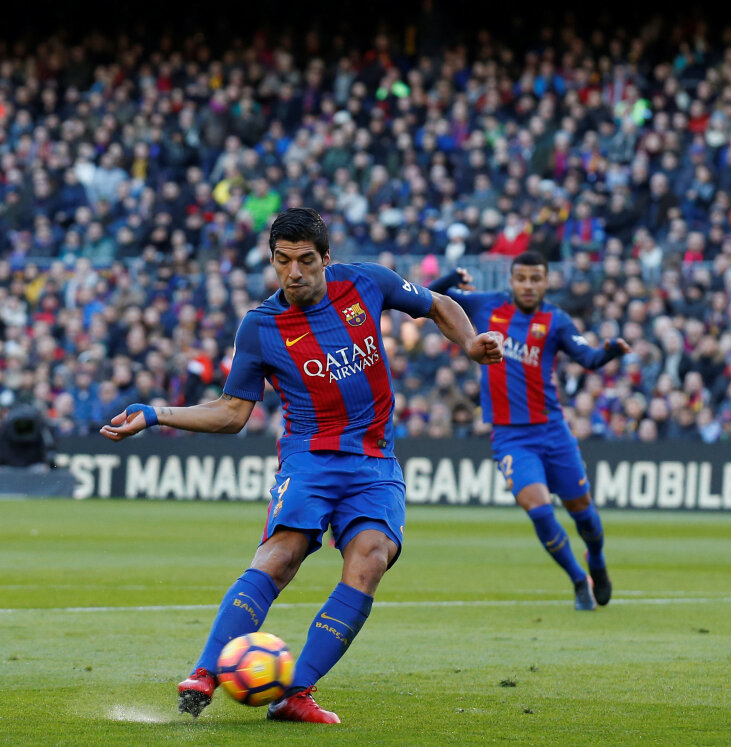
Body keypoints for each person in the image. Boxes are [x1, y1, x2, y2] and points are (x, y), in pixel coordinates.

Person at [100, 208, 502, 724]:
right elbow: (231, 412)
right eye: (282, 261)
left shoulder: (366, 281)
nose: (294, 273)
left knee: (371, 557)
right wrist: (156, 413)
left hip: (375, 458)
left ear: (325, 259)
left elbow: (438, 303)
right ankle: (205, 672)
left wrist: (469, 343)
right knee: (283, 553)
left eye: (305, 261)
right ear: (272, 260)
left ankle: (295, 693)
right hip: (309, 457)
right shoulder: (261, 327)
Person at [429, 252, 629, 610]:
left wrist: (610, 352)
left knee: (582, 511)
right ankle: (577, 579)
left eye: (535, 278)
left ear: (546, 281)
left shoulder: (556, 321)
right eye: (521, 278)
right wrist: (449, 279)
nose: (528, 285)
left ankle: (596, 559)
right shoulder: (485, 305)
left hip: (553, 432)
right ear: (512, 280)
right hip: (510, 436)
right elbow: (426, 297)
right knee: (538, 509)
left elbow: (589, 358)